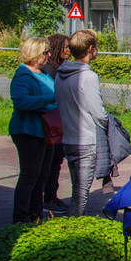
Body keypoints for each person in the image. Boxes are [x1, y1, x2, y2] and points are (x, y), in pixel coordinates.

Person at [54, 29, 110, 216]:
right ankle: (75, 231)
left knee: (76, 188)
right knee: (80, 194)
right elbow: (98, 112)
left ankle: (74, 225)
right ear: (90, 49)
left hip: (68, 137)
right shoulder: (88, 76)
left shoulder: (61, 73)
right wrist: (108, 124)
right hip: (86, 139)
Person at [9, 37, 58, 223]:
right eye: (45, 52)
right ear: (34, 53)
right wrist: (48, 102)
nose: (49, 55)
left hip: (45, 132)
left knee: (42, 175)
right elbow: (20, 101)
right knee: (30, 175)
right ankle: (20, 218)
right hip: (28, 131)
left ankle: (35, 214)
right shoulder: (23, 75)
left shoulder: (43, 73)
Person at [41, 33, 71, 215]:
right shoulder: (50, 71)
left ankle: (50, 196)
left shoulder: (60, 68)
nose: (68, 50)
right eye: (65, 47)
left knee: (56, 162)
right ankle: (48, 199)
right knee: (51, 163)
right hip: (52, 125)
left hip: (58, 124)